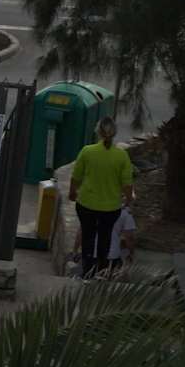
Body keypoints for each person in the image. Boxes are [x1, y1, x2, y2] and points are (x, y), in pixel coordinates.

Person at [68, 117, 135, 279]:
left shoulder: (87, 151)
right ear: (114, 133)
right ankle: (102, 271)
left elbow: (76, 177)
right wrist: (128, 199)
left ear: (98, 132)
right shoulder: (121, 156)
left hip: (86, 204)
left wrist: (72, 193)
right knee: (105, 237)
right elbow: (127, 183)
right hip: (110, 208)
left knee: (88, 236)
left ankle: (86, 272)